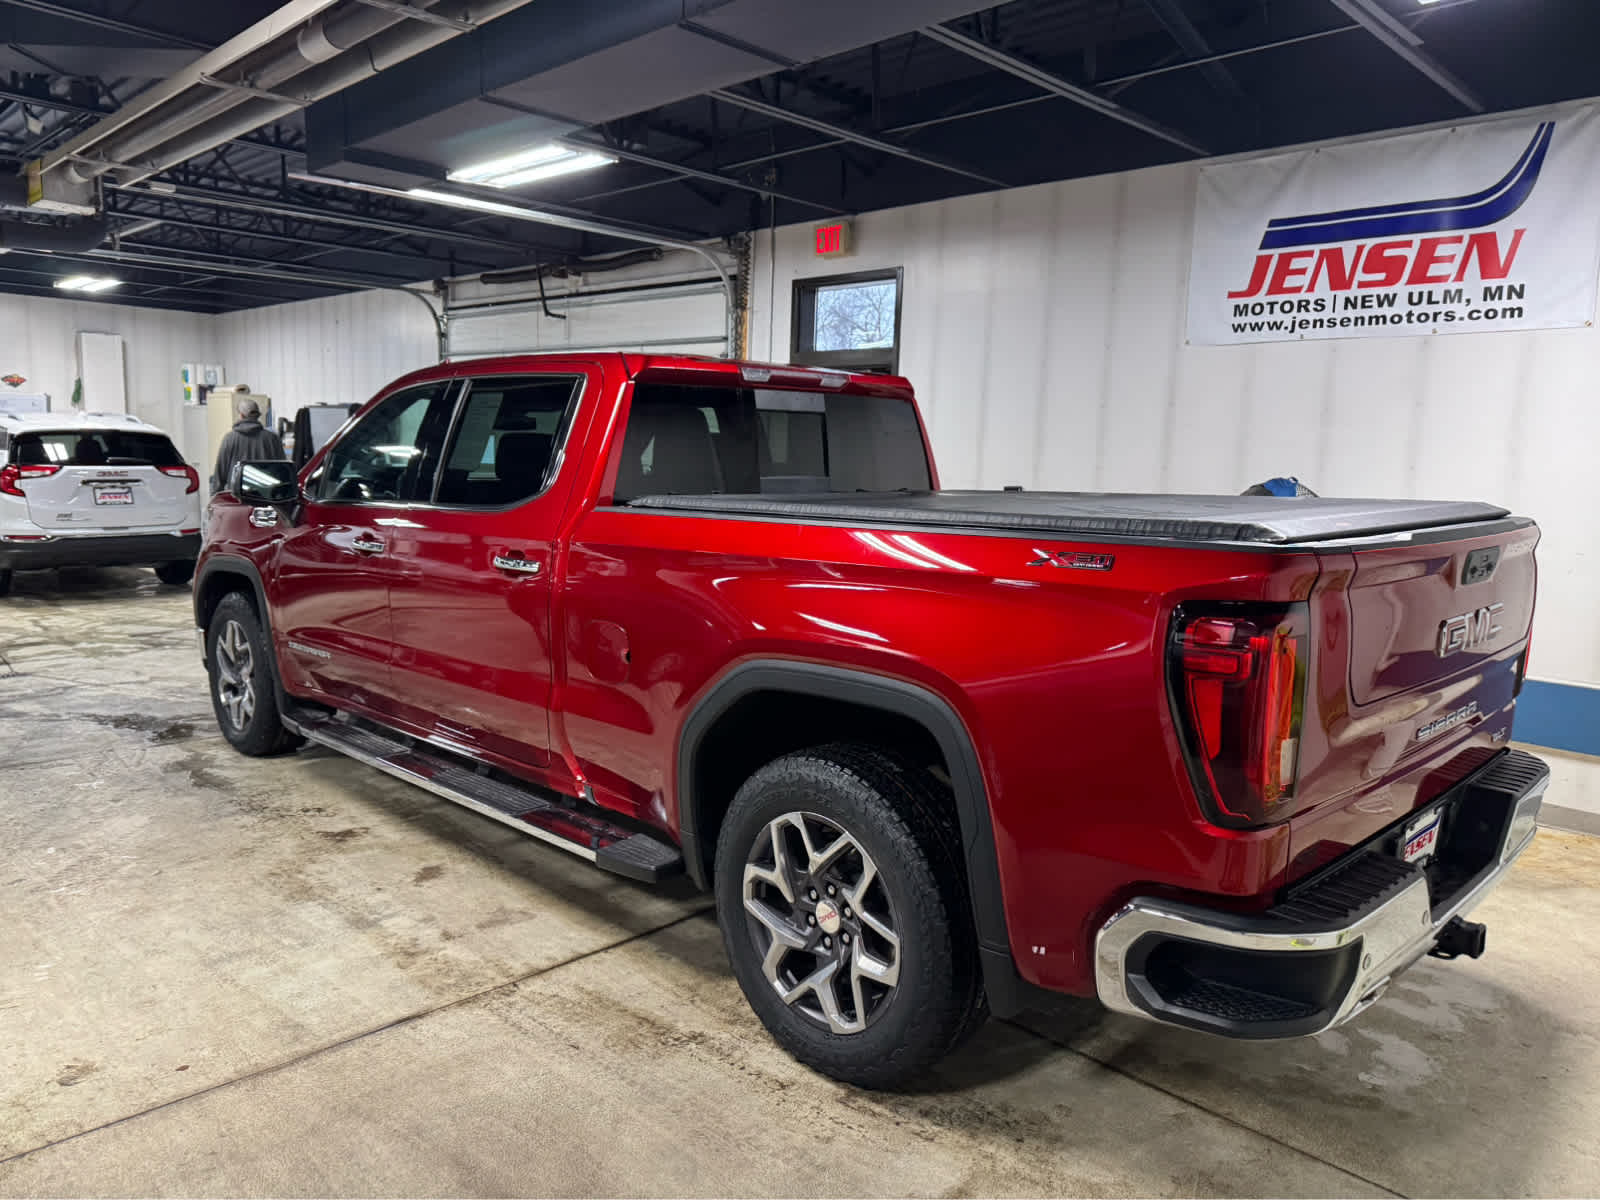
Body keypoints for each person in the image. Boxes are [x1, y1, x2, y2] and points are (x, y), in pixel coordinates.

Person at [212, 395, 285, 493]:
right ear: (258, 416)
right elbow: (283, 470)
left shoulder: (230, 438)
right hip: (266, 496)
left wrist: (216, 495)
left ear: (241, 415)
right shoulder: (272, 438)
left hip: (238, 497)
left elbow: (220, 471)